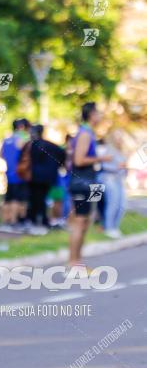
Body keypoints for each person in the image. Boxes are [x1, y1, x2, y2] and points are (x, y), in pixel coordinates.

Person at [68, 102, 110, 266]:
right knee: (80, 222)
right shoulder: (85, 134)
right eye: (98, 113)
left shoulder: (88, 132)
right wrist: (101, 158)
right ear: (92, 114)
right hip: (81, 182)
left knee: (86, 222)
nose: (100, 116)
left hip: (90, 181)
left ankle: (78, 260)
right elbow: (79, 159)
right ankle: (73, 261)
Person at [26, 124, 66, 233]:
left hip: (36, 177)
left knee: (36, 199)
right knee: (42, 199)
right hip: (48, 177)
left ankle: (36, 219)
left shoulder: (34, 145)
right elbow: (63, 154)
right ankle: (42, 219)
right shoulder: (51, 145)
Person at [0, 118, 31, 232]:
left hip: (9, 172)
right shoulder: (24, 138)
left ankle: (6, 221)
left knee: (9, 198)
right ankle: (14, 221)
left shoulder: (7, 139)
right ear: (22, 127)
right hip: (20, 173)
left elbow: (1, 155)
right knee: (18, 199)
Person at [101, 130, 127, 238]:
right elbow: (103, 166)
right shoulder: (108, 150)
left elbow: (124, 167)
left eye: (121, 136)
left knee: (122, 205)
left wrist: (124, 170)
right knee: (113, 204)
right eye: (117, 136)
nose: (119, 139)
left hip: (119, 180)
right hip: (109, 179)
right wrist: (117, 167)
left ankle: (115, 228)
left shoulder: (121, 151)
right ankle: (109, 228)